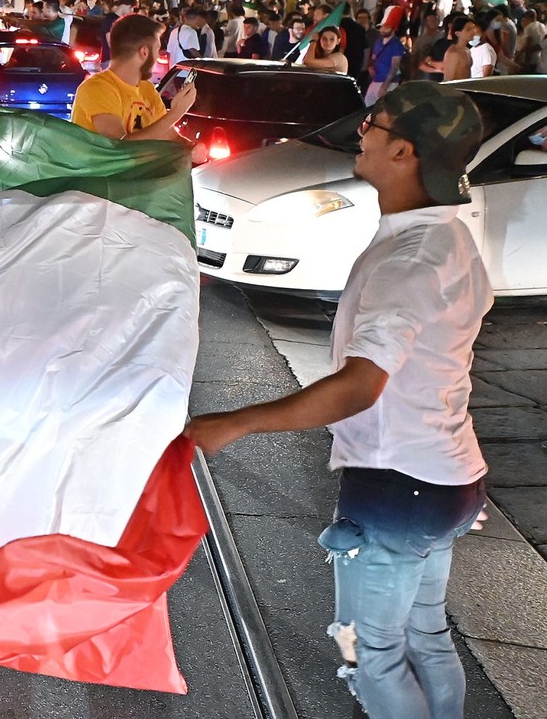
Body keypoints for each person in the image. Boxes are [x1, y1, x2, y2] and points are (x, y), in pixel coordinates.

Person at [186, 81, 490, 719]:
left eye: (372, 125)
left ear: (404, 150)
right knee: (426, 638)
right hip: (450, 477)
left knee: (372, 653)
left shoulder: (408, 259)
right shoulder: (450, 238)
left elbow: (360, 385)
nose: (361, 132)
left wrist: (235, 423)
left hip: (396, 484)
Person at [70, 14, 195, 142]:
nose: (158, 57)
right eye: (157, 50)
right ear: (144, 52)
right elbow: (120, 146)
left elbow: (169, 135)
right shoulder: (97, 88)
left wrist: (192, 149)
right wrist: (176, 113)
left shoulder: (147, 89)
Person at [366, 8, 406, 104]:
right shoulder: (379, 41)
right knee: (367, 104)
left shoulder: (396, 45)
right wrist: (370, 67)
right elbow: (373, 58)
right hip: (376, 79)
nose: (382, 29)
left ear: (393, 28)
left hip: (389, 83)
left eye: (386, 27)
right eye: (382, 27)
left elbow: (395, 66)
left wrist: (385, 85)